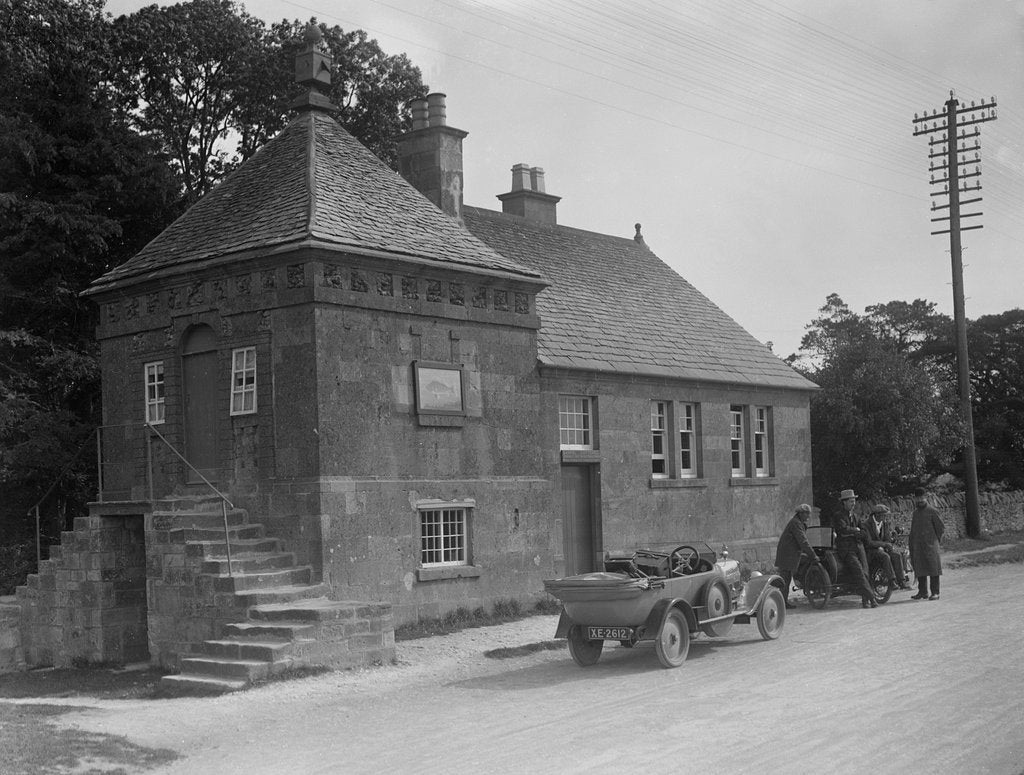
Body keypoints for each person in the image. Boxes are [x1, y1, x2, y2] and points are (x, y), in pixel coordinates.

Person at [774, 503, 822, 609]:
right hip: (787, 555)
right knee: (785, 578)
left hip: (790, 554)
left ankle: (783, 601)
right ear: (801, 513)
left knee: (786, 578)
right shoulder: (796, 523)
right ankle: (781, 602)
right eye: (807, 514)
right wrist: (813, 555)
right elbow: (803, 541)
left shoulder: (798, 522)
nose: (808, 516)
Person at [834, 488, 877, 608]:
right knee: (859, 572)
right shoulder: (838, 516)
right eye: (851, 501)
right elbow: (842, 530)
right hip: (847, 550)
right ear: (844, 502)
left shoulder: (856, 516)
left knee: (865, 572)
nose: (853, 504)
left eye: (854, 501)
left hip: (858, 547)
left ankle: (865, 601)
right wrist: (856, 530)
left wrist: (855, 531)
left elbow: (864, 531)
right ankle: (872, 598)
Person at [862, 504, 909, 590]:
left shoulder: (884, 524)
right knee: (885, 556)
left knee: (897, 555)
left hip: (882, 549)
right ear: (876, 515)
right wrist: (883, 545)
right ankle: (891, 581)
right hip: (870, 551)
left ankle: (901, 581)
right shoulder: (866, 525)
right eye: (884, 515)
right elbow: (869, 542)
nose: (885, 518)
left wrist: (888, 544)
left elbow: (887, 539)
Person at [909, 487, 945, 600]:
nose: (920, 500)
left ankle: (935, 592)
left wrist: (935, 541)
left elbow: (940, 528)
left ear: (926, 497)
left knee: (933, 568)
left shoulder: (933, 511)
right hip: (918, 545)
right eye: (917, 498)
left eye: (922, 498)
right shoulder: (915, 513)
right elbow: (913, 529)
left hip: (931, 545)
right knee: (920, 568)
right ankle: (922, 592)